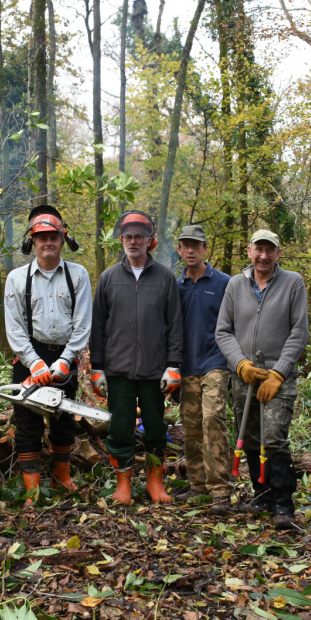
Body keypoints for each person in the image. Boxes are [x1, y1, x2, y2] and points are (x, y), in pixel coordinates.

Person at [216, 229, 309, 530]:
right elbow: (223, 331)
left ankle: (283, 502)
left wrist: (280, 372)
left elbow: (299, 332)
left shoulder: (292, 282)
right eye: (259, 249)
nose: (264, 256)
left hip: (277, 377)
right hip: (244, 377)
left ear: (278, 253)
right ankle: (262, 495)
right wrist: (240, 364)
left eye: (270, 250)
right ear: (249, 251)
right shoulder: (235, 284)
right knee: (252, 437)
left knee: (274, 437)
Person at [90, 210, 183, 505]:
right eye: (129, 236)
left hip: (155, 371)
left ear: (150, 242)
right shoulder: (108, 279)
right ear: (121, 240)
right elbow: (98, 326)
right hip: (117, 372)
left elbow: (175, 325)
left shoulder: (165, 278)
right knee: (120, 429)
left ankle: (155, 483)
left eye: (139, 237)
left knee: (156, 429)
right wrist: (97, 368)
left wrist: (174, 365)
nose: (133, 241)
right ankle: (123, 486)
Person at [4, 206, 91, 504]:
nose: (47, 242)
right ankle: (32, 487)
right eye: (41, 237)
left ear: (63, 238)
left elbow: (82, 324)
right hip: (30, 353)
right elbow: (14, 328)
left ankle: (61, 476)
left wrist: (66, 361)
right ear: (32, 242)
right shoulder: (16, 279)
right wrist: (35, 364)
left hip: (65, 353)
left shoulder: (78, 275)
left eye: (53, 236)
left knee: (64, 419)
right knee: (27, 422)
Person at [175, 224, 233, 516]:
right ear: (179, 249)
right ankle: (198, 486)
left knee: (212, 420)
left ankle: (220, 490)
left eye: (195, 245)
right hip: (187, 366)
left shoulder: (225, 282)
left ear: (205, 248)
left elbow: (236, 322)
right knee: (191, 426)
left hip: (217, 363)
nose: (190, 250)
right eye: (185, 245)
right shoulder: (176, 286)